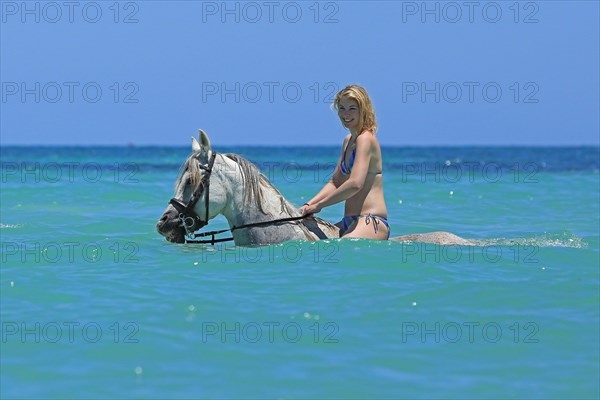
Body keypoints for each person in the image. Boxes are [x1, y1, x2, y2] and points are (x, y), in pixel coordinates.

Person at [300, 85, 389, 240]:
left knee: (342, 248)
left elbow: (355, 183)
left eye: (352, 108)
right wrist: (308, 205)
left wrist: (319, 206)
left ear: (363, 110)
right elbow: (335, 182)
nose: (346, 114)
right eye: (342, 108)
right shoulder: (349, 141)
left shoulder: (366, 139)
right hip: (349, 221)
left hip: (370, 221)